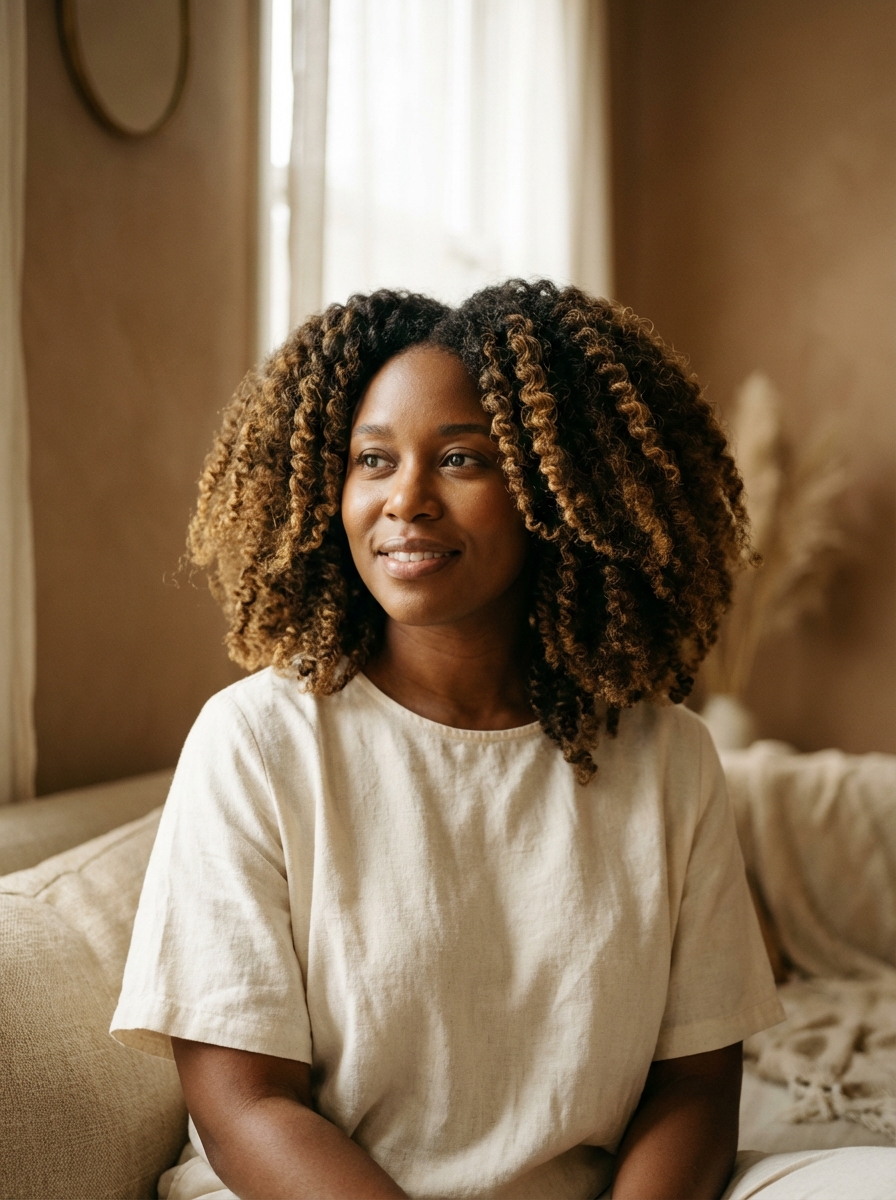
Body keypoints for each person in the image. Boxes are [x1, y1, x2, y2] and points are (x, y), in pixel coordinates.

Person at [111, 281, 893, 1200]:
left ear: (558, 492)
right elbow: (243, 1102)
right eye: (371, 459)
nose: (406, 499)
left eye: (462, 460)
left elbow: (695, 1083)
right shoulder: (256, 742)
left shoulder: (666, 754)